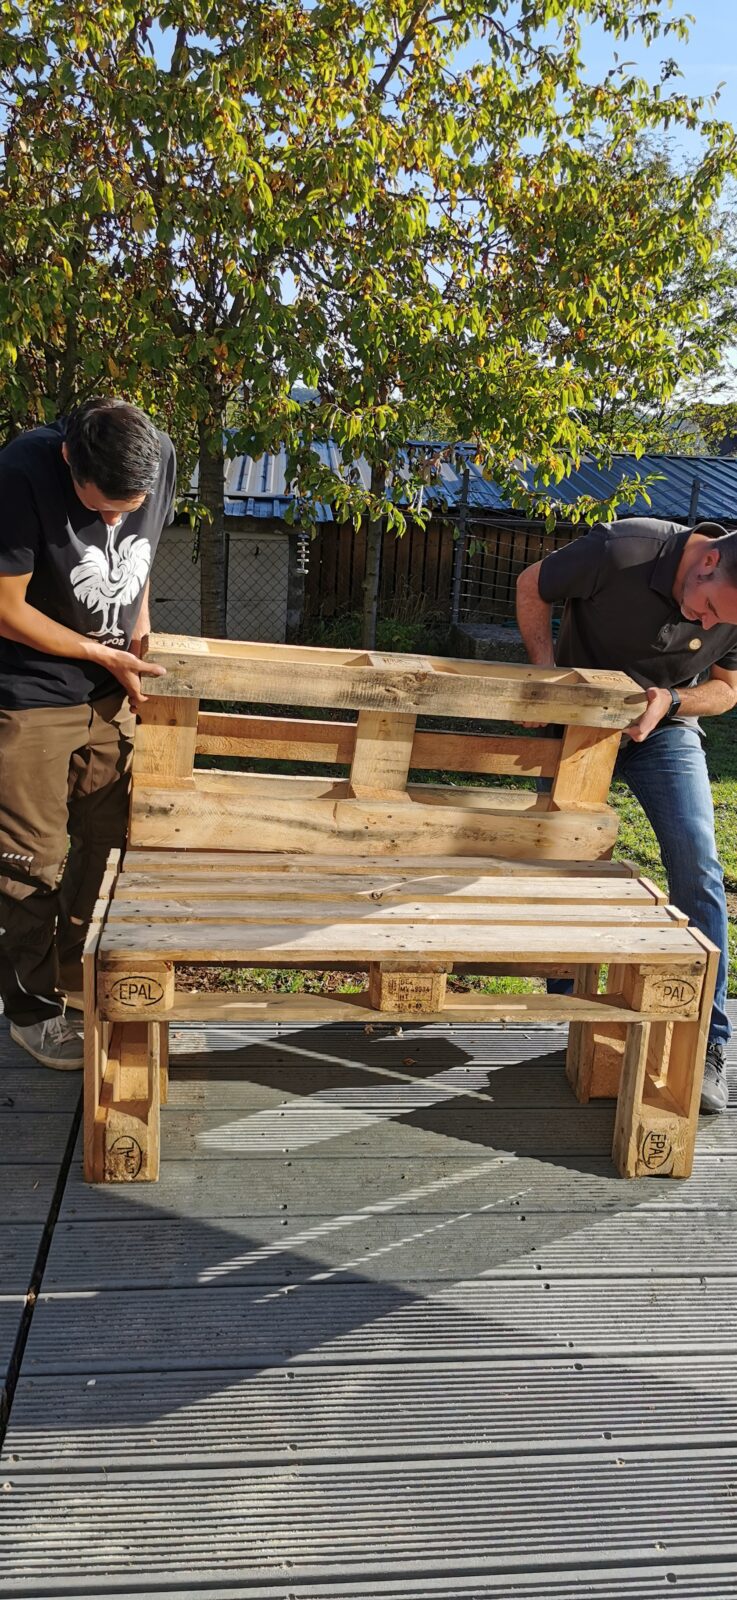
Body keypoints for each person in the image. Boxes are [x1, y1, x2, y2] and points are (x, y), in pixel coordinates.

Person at [516, 516, 737, 1113]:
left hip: (664, 731)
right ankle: (572, 1004)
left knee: (698, 863)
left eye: (719, 622)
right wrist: (545, 672)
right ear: (708, 562)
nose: (708, 626)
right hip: (579, 721)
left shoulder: (731, 605)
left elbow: (727, 689)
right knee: (561, 859)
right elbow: (533, 583)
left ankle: (710, 1043)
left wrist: (674, 698)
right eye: (710, 609)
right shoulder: (624, 549)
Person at [0, 397, 174, 1069]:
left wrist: (137, 632)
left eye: (127, 508)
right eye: (100, 509)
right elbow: (6, 609)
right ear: (70, 457)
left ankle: (75, 979)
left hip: (109, 692)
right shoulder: (21, 471)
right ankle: (30, 1011)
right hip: (28, 695)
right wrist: (101, 653)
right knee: (29, 862)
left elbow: (142, 556)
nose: (113, 523)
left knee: (110, 841)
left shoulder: (156, 457)